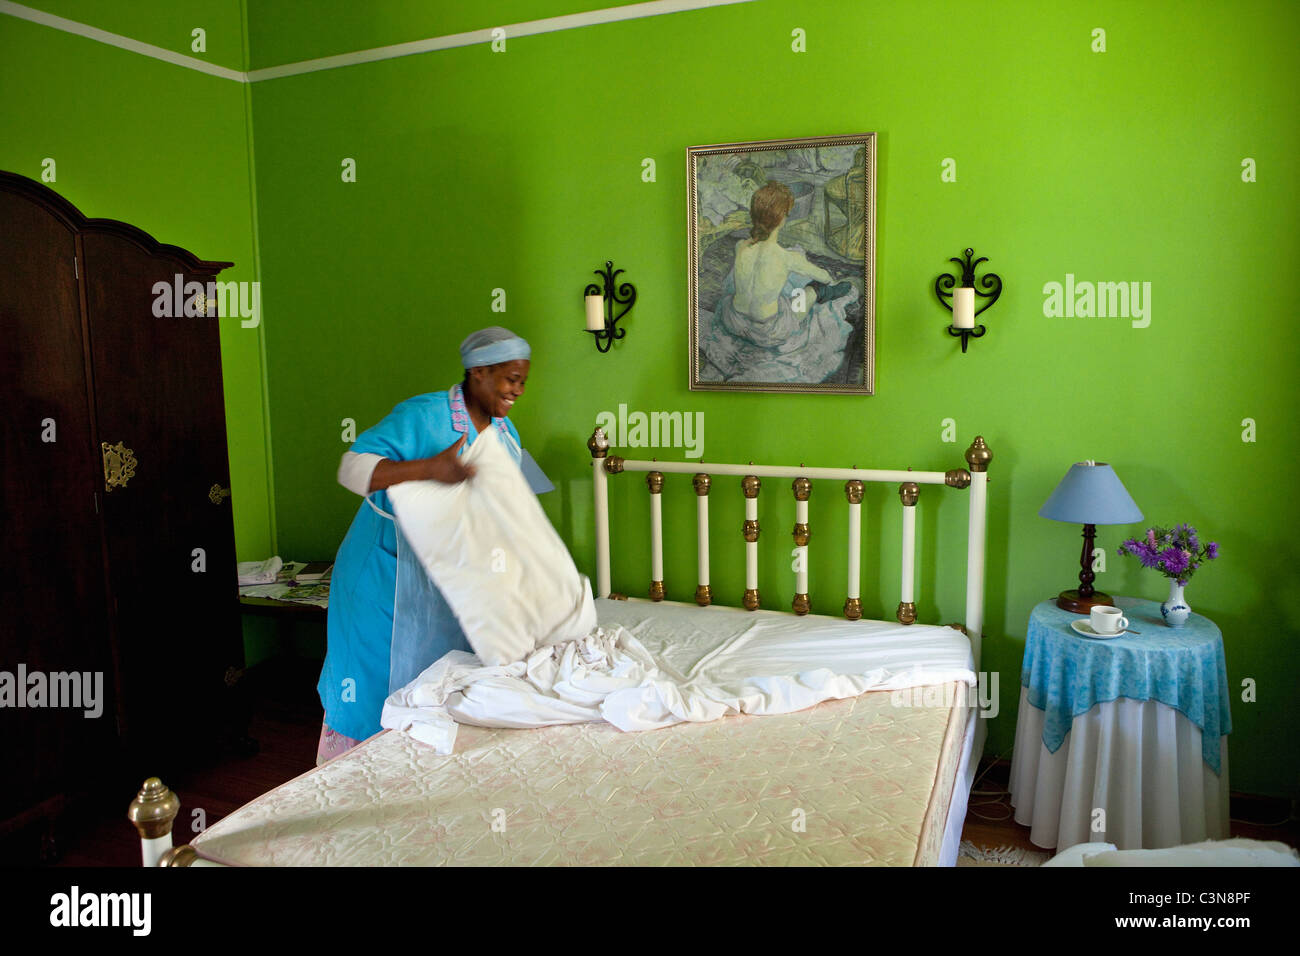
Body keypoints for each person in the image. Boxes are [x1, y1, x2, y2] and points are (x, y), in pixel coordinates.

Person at [316, 327, 530, 764]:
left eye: (523, 380)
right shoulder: (422, 416)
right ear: (480, 372)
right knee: (372, 689)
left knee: (432, 687)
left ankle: (414, 791)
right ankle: (351, 789)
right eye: (510, 378)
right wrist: (429, 468)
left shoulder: (506, 435)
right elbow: (352, 469)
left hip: (444, 583)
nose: (518, 391)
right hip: (384, 578)